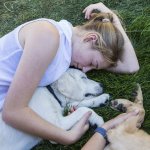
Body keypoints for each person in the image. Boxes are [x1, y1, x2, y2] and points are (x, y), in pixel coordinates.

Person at [0, 1, 139, 145]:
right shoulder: (47, 35)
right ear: (91, 38)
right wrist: (66, 137)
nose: (85, 69)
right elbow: (12, 112)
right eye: (92, 63)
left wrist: (112, 18)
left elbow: (131, 66)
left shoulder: (67, 48)